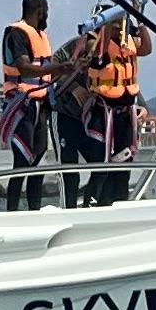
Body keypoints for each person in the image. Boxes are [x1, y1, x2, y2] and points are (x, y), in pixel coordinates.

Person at [81, 7, 154, 206]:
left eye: (119, 21)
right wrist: (105, 23)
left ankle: (119, 201)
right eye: (114, 21)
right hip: (103, 113)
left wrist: (139, 21)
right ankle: (93, 203)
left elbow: (146, 49)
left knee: (123, 163)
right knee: (101, 163)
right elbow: (97, 55)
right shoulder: (95, 42)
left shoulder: (127, 40)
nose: (118, 25)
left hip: (125, 113)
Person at [0, 0, 59, 211]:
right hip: (22, 103)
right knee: (22, 160)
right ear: (40, 11)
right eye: (46, 13)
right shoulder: (17, 34)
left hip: (41, 105)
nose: (47, 18)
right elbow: (24, 66)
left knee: (38, 156)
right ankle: (12, 213)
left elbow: (46, 70)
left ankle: (34, 210)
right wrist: (59, 67)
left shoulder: (40, 36)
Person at [51, 21, 104, 207]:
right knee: (69, 170)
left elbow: (124, 78)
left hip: (92, 119)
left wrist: (142, 106)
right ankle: (69, 210)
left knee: (102, 164)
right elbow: (52, 67)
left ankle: (91, 203)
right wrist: (73, 86)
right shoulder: (77, 45)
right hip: (66, 114)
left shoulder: (115, 49)